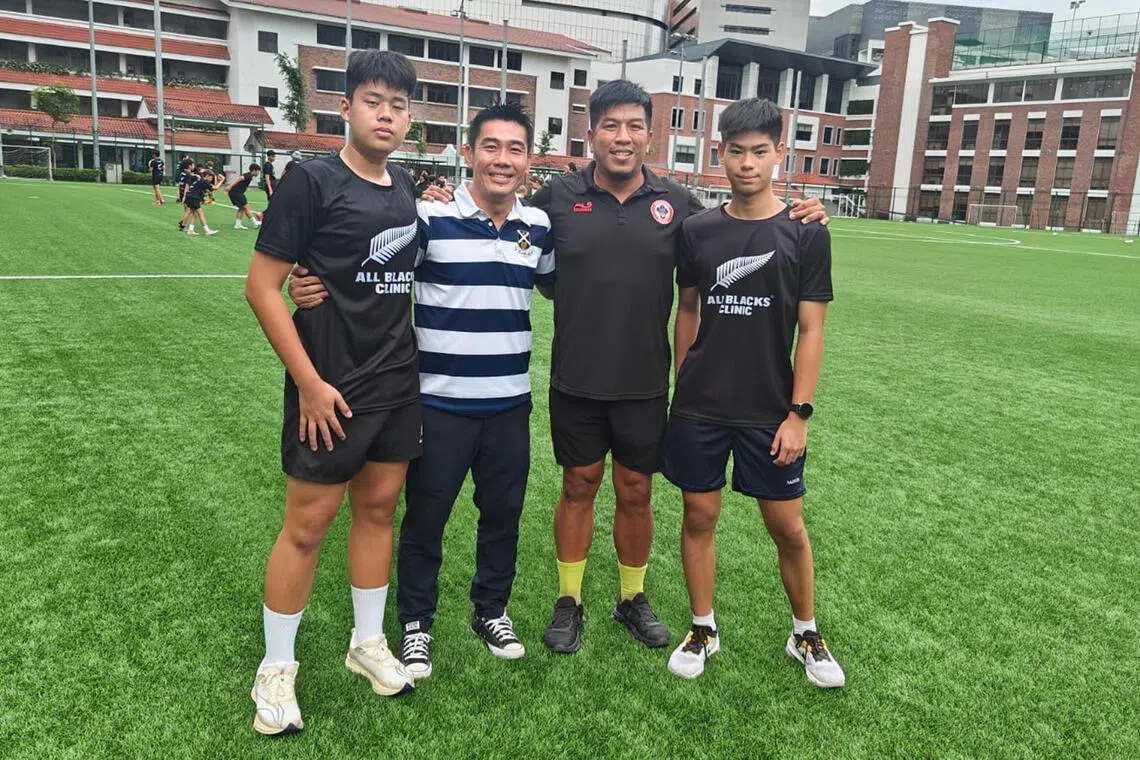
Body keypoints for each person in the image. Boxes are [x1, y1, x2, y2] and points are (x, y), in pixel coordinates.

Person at [420, 80, 828, 656]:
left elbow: (738, 224)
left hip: (645, 382)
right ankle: (569, 600)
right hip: (576, 379)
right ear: (591, 134)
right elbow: (502, 209)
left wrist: (806, 211)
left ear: (650, 135)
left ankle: (632, 598)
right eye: (610, 125)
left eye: (634, 125)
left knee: (636, 491)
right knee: (578, 485)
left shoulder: (679, 204)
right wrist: (441, 194)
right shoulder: (556, 198)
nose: (622, 136)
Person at [289, 103, 555, 681]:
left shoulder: (538, 227)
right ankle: (415, 624)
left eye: (515, 149)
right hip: (436, 402)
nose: (502, 159)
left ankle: (491, 610)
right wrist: (304, 279)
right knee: (425, 518)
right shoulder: (428, 218)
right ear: (470, 153)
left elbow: (560, 283)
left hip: (510, 403)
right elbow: (370, 274)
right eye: (490, 146)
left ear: (529, 160)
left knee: (503, 514)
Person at [243, 49, 421, 736]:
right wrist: (309, 383)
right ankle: (276, 668)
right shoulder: (311, 182)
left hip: (396, 383)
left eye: (398, 105)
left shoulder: (406, 187)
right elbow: (262, 287)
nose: (386, 115)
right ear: (345, 108)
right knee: (308, 526)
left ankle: (366, 643)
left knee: (378, 511)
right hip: (329, 389)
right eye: (373, 101)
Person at [662, 98, 845, 688]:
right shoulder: (697, 230)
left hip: (771, 409)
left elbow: (812, 330)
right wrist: (683, 381)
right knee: (699, 515)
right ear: (720, 154)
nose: (747, 163)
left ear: (778, 154)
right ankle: (703, 627)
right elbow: (687, 310)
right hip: (700, 407)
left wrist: (799, 414)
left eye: (759, 152)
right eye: (736, 152)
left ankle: (805, 633)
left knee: (787, 527)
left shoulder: (806, 233)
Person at [179, 168, 217, 236]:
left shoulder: (200, 180)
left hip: (189, 196)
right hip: (194, 197)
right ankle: (207, 231)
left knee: (195, 214)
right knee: (200, 213)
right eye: (211, 178)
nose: (211, 179)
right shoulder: (205, 181)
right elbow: (215, 188)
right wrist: (222, 180)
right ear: (207, 176)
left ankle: (189, 230)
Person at [227, 163, 262, 230]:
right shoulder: (249, 176)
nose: (258, 173)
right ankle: (255, 223)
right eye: (258, 171)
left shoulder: (249, 175)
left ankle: (237, 224)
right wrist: (230, 186)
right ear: (254, 170)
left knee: (242, 208)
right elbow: (240, 178)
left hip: (235, 192)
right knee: (246, 206)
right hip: (236, 192)